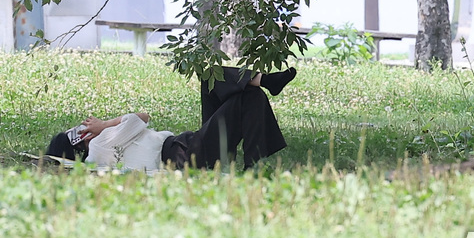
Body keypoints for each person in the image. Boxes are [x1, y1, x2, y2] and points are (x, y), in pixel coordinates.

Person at [42, 66, 297, 171]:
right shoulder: (98, 146)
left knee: (219, 81)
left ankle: (264, 81)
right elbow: (141, 118)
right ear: (79, 139)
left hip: (190, 148)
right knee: (246, 95)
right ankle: (252, 166)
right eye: (80, 129)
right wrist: (104, 125)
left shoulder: (99, 153)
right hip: (184, 152)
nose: (86, 125)